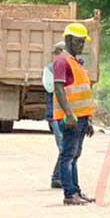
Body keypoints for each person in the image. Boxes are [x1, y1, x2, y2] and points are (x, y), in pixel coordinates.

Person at [53, 24, 96, 206]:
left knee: (75, 154)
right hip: (71, 118)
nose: (81, 45)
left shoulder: (75, 63)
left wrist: (89, 120)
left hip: (81, 118)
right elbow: (59, 88)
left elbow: (83, 92)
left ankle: (76, 190)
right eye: (79, 41)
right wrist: (69, 115)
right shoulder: (62, 61)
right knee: (68, 155)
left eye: (83, 42)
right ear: (69, 40)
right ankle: (69, 194)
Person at [43, 41, 66, 189]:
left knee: (68, 147)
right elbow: (51, 88)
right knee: (64, 147)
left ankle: (60, 177)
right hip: (56, 114)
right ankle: (57, 177)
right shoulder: (50, 69)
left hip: (66, 114)